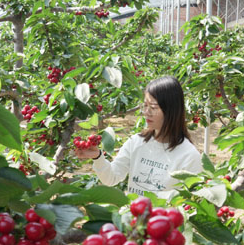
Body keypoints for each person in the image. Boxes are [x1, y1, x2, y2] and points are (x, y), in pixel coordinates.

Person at [74, 75, 202, 198]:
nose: (147, 112)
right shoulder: (136, 142)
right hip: (132, 218)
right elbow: (111, 178)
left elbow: (191, 203)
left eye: (153, 107)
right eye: (145, 106)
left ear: (171, 110)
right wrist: (97, 157)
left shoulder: (189, 156)